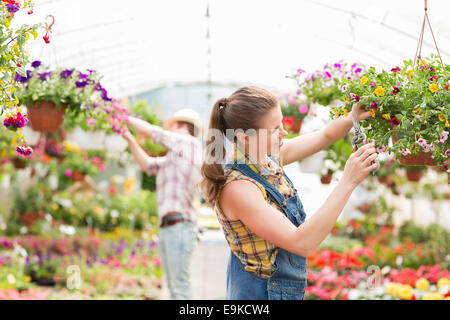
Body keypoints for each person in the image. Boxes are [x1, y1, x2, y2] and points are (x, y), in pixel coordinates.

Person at [200, 86, 377, 300]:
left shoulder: (266, 157)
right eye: (274, 129)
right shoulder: (239, 188)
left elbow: (325, 136)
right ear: (244, 137)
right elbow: (302, 243)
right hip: (260, 294)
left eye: (281, 123)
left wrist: (352, 117)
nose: (284, 132)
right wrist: (348, 181)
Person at [122, 108, 203, 300]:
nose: (169, 129)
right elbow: (148, 165)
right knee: (175, 288)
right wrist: (130, 140)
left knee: (180, 288)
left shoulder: (188, 143)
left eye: (172, 125)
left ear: (182, 127)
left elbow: (153, 132)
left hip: (180, 226)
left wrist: (123, 117)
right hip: (171, 228)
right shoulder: (174, 157)